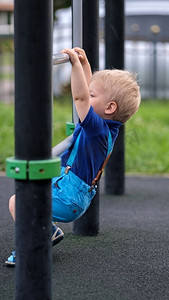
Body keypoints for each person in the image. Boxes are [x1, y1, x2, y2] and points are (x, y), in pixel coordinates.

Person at [5, 47, 141, 266]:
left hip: (69, 196)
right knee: (29, 193)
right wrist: (85, 65)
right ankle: (48, 232)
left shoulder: (96, 129)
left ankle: (30, 248)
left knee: (19, 203)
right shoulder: (104, 126)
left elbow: (80, 97)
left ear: (109, 107)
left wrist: (75, 66)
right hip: (70, 187)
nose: (88, 96)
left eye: (93, 95)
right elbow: (86, 93)